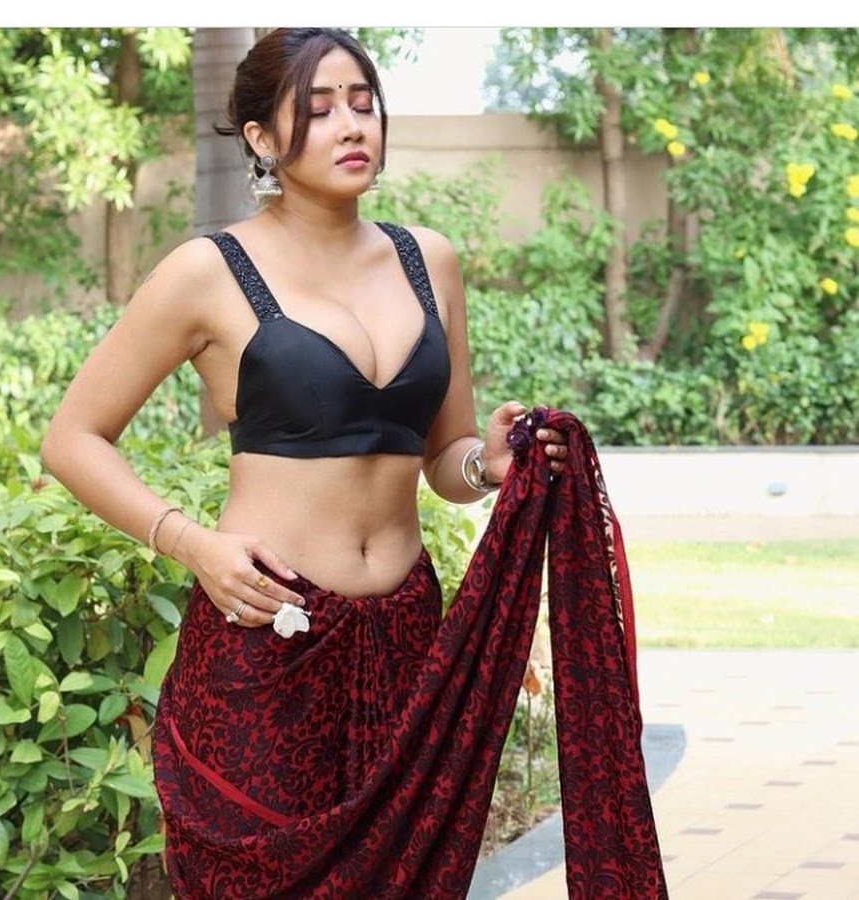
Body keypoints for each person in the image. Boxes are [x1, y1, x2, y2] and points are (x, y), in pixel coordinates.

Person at [44, 28, 669, 900]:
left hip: (408, 640)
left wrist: (487, 465)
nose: (351, 125)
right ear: (261, 137)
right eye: (320, 107)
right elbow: (72, 437)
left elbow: (441, 457)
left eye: (364, 103)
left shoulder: (428, 261)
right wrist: (192, 545)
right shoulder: (208, 271)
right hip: (269, 639)